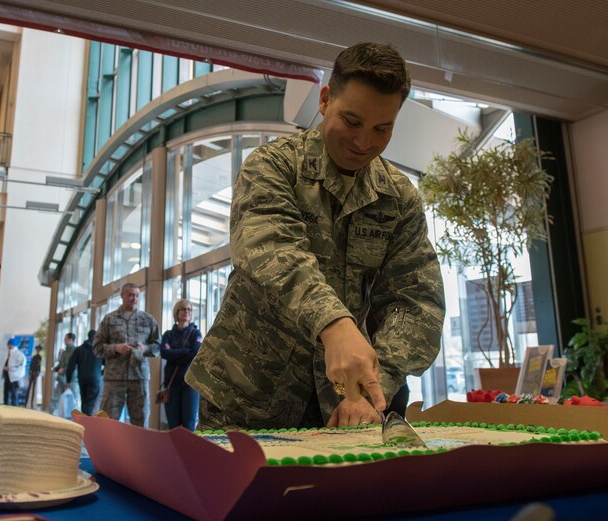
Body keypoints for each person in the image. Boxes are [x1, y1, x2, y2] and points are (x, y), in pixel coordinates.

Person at [186, 42, 445, 430]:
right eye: (353, 121)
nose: (364, 142)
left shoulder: (400, 198)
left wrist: (377, 385)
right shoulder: (272, 166)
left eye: (382, 128)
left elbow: (416, 303)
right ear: (325, 100)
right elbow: (272, 250)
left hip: (340, 408)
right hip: (245, 397)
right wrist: (335, 324)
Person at [93, 283, 160, 427]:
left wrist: (145, 348)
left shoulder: (148, 320)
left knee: (140, 421)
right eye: (130, 295)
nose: (134, 298)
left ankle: (138, 450)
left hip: (139, 377)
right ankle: (108, 449)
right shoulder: (109, 319)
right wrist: (115, 348)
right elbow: (97, 348)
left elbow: (157, 346)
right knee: (108, 421)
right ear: (122, 296)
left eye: (136, 295)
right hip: (114, 378)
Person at [160, 299, 202, 431]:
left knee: (189, 425)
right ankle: (174, 452)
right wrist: (185, 352)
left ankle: (189, 452)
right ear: (176, 312)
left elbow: (194, 354)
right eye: (183, 309)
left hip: (190, 384)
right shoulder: (168, 334)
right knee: (174, 426)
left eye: (189, 309)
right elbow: (164, 352)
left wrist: (173, 352)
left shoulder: (196, 333)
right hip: (171, 385)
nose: (187, 312)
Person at [66, 330, 103, 416]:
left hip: (82, 379)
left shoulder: (79, 349)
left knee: (84, 401)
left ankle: (84, 422)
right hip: (95, 379)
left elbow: (70, 366)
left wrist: (68, 380)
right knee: (90, 403)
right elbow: (108, 364)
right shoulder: (99, 351)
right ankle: (87, 423)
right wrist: (100, 373)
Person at [3, 340, 26, 406]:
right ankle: (5, 406)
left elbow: (20, 365)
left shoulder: (18, 354)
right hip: (7, 376)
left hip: (14, 377)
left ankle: (14, 408)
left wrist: (10, 368)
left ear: (12, 345)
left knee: (14, 393)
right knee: (6, 393)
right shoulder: (9, 353)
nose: (8, 346)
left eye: (9, 344)